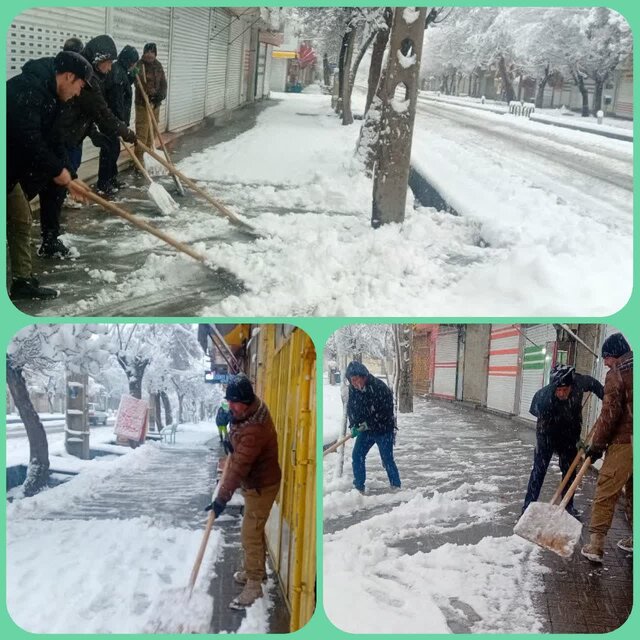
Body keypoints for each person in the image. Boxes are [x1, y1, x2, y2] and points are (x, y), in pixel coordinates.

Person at [38, 35, 137, 258]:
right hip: (60, 139)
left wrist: (92, 134)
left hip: (66, 138)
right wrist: (128, 133)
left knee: (54, 189)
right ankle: (49, 239)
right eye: (108, 62)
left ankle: (50, 238)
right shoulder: (86, 80)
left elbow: (83, 113)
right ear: (99, 58)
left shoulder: (88, 77)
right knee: (51, 190)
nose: (110, 68)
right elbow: (102, 114)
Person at [7, 50, 92, 299]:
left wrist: (72, 176)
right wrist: (58, 172)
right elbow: (29, 139)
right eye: (79, 86)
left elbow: (54, 140)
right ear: (68, 76)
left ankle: (22, 282)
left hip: (9, 172)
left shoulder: (52, 96)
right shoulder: (28, 90)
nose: (78, 93)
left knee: (21, 219)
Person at [205, 374, 281, 609]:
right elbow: (238, 432)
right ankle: (254, 571)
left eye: (233, 402)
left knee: (249, 533)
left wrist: (220, 500)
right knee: (254, 530)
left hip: (262, 486)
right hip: (256, 482)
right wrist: (231, 442)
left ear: (245, 401)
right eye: (228, 402)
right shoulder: (249, 411)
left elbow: (237, 468)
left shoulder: (255, 429)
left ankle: (254, 585)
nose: (230, 407)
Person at [522, 364, 604, 519]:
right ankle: (527, 507)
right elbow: (545, 422)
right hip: (547, 434)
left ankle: (567, 506)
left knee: (569, 470)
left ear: (571, 385)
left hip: (569, 436)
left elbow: (595, 385)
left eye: (564, 390)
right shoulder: (543, 398)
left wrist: (608, 399)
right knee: (539, 471)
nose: (561, 393)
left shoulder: (579, 382)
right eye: (558, 390)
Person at [581, 333, 633, 563]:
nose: (605, 363)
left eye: (606, 358)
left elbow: (609, 414)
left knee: (606, 491)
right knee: (634, 492)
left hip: (625, 443)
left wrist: (597, 446)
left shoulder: (618, 374)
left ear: (614, 355)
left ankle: (596, 545)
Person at [345, 361, 401, 494]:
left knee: (387, 458)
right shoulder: (353, 389)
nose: (353, 383)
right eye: (351, 380)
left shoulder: (379, 387)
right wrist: (354, 424)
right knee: (357, 455)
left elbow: (386, 412)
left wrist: (369, 423)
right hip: (367, 431)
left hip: (383, 429)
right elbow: (352, 408)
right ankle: (358, 487)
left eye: (355, 379)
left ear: (363, 376)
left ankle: (396, 486)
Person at [103, 45, 139, 190]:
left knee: (113, 150)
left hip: (114, 119)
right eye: (134, 62)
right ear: (129, 60)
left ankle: (111, 179)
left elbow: (125, 83)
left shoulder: (120, 69)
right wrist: (121, 123)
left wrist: (133, 74)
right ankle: (105, 182)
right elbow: (117, 100)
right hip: (113, 119)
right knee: (109, 151)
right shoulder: (117, 73)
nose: (134, 65)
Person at [134, 43, 167, 164]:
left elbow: (163, 83)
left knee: (152, 131)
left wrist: (161, 95)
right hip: (143, 104)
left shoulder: (158, 65)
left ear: (155, 53)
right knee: (142, 132)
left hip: (155, 104)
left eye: (152, 52)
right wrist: (151, 94)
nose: (149, 54)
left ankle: (148, 157)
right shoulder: (138, 65)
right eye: (147, 51)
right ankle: (139, 161)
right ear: (143, 53)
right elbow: (140, 83)